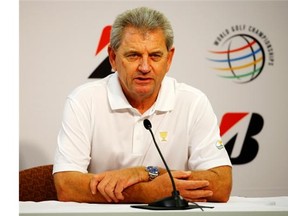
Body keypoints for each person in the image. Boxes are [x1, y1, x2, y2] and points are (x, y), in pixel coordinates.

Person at [53, 6, 232, 204]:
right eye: (133, 55)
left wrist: (146, 173)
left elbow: (222, 184)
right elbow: (66, 185)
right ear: (112, 58)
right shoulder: (84, 100)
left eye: (155, 56)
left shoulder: (193, 102)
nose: (145, 67)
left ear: (169, 58)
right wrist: (146, 193)